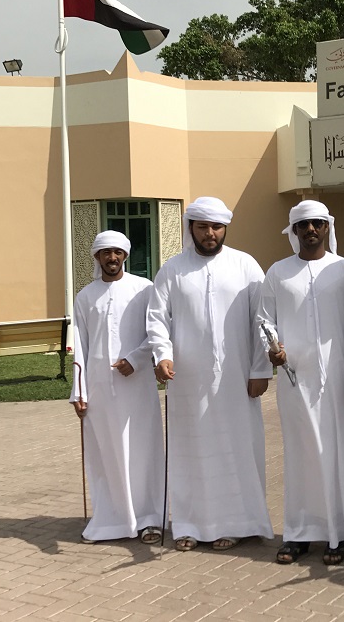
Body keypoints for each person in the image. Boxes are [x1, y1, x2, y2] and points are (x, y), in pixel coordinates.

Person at [145, 196, 274, 552]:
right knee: (191, 450)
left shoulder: (245, 266)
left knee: (237, 448)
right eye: (202, 226)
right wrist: (163, 355)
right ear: (191, 228)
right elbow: (157, 318)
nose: (210, 233)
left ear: (225, 228)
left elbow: (262, 320)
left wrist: (260, 369)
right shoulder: (172, 270)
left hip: (236, 378)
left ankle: (237, 523)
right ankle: (190, 524)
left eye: (216, 227)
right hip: (188, 380)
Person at [259, 200, 344, 566]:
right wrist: (272, 347)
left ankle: (341, 533)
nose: (310, 229)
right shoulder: (278, 272)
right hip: (295, 380)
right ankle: (300, 534)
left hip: (338, 378)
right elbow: (265, 320)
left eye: (317, 223)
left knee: (339, 454)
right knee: (301, 455)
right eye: (303, 224)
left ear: (327, 227)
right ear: (293, 231)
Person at [71, 230, 165, 545]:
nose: (112, 258)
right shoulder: (85, 297)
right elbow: (80, 346)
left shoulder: (144, 289)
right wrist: (79, 392)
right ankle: (111, 520)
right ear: (97, 257)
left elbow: (157, 332)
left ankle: (149, 519)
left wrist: (136, 359)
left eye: (117, 252)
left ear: (125, 255)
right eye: (105, 253)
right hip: (100, 389)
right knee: (106, 453)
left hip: (137, 387)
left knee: (142, 451)